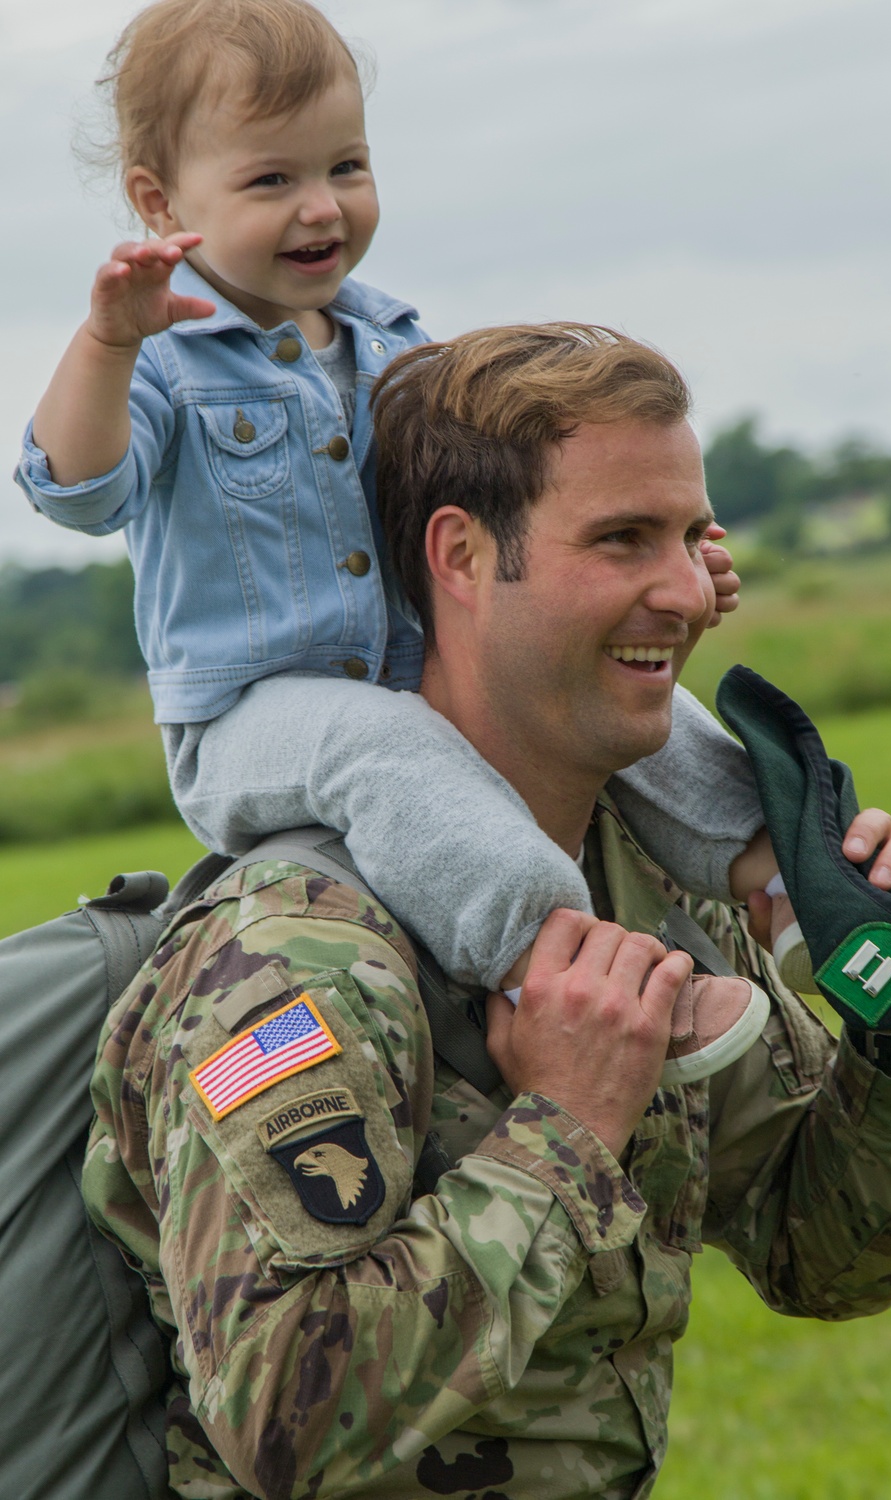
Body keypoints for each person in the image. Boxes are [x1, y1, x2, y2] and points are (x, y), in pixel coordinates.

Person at [84, 322, 891, 1500]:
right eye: (619, 541)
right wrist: (565, 1123)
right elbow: (284, 1423)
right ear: (458, 555)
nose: (687, 592)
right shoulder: (292, 954)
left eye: (689, 535)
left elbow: (837, 1253)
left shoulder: (648, 880)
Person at [14, 0, 769, 1068]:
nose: (322, 206)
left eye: (347, 166)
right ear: (158, 200)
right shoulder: (164, 363)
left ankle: (788, 883)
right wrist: (105, 342)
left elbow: (508, 507)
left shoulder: (396, 343)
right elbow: (77, 491)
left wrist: (667, 569)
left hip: (409, 673)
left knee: (622, 688)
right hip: (251, 719)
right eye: (271, 180)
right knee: (390, 750)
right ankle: (555, 962)